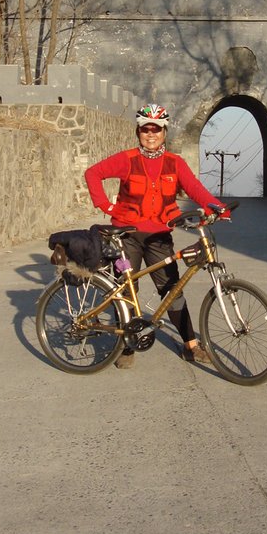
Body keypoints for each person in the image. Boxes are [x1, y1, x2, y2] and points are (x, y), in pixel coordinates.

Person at [84, 103, 226, 369]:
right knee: (127, 291)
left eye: (157, 130)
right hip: (126, 236)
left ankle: (191, 345)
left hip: (159, 236)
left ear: (164, 133)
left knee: (172, 290)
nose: (151, 135)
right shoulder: (126, 159)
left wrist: (215, 205)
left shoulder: (174, 162)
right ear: (138, 132)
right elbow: (93, 173)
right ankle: (126, 345)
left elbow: (194, 188)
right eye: (146, 129)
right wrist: (106, 206)